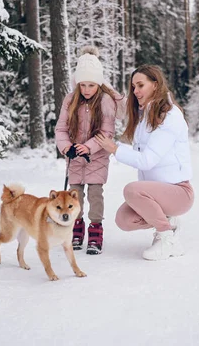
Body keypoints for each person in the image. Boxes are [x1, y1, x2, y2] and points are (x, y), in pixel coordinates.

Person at [94, 64, 194, 261]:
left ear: (155, 85)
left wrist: (115, 149)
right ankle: (168, 222)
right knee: (123, 219)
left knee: (132, 190)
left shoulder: (169, 116)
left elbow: (146, 161)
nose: (135, 91)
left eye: (140, 85)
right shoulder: (145, 117)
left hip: (179, 192)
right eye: (133, 87)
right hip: (158, 194)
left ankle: (167, 239)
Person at [55, 46, 124, 255]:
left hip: (97, 157)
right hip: (75, 157)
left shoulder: (105, 101)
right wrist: (66, 147)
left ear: (99, 83)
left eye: (91, 85)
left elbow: (107, 132)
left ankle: (96, 229)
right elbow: (61, 128)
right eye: (82, 84)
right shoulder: (70, 100)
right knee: (74, 195)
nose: (86, 89)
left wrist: (89, 147)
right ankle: (76, 228)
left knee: (95, 194)